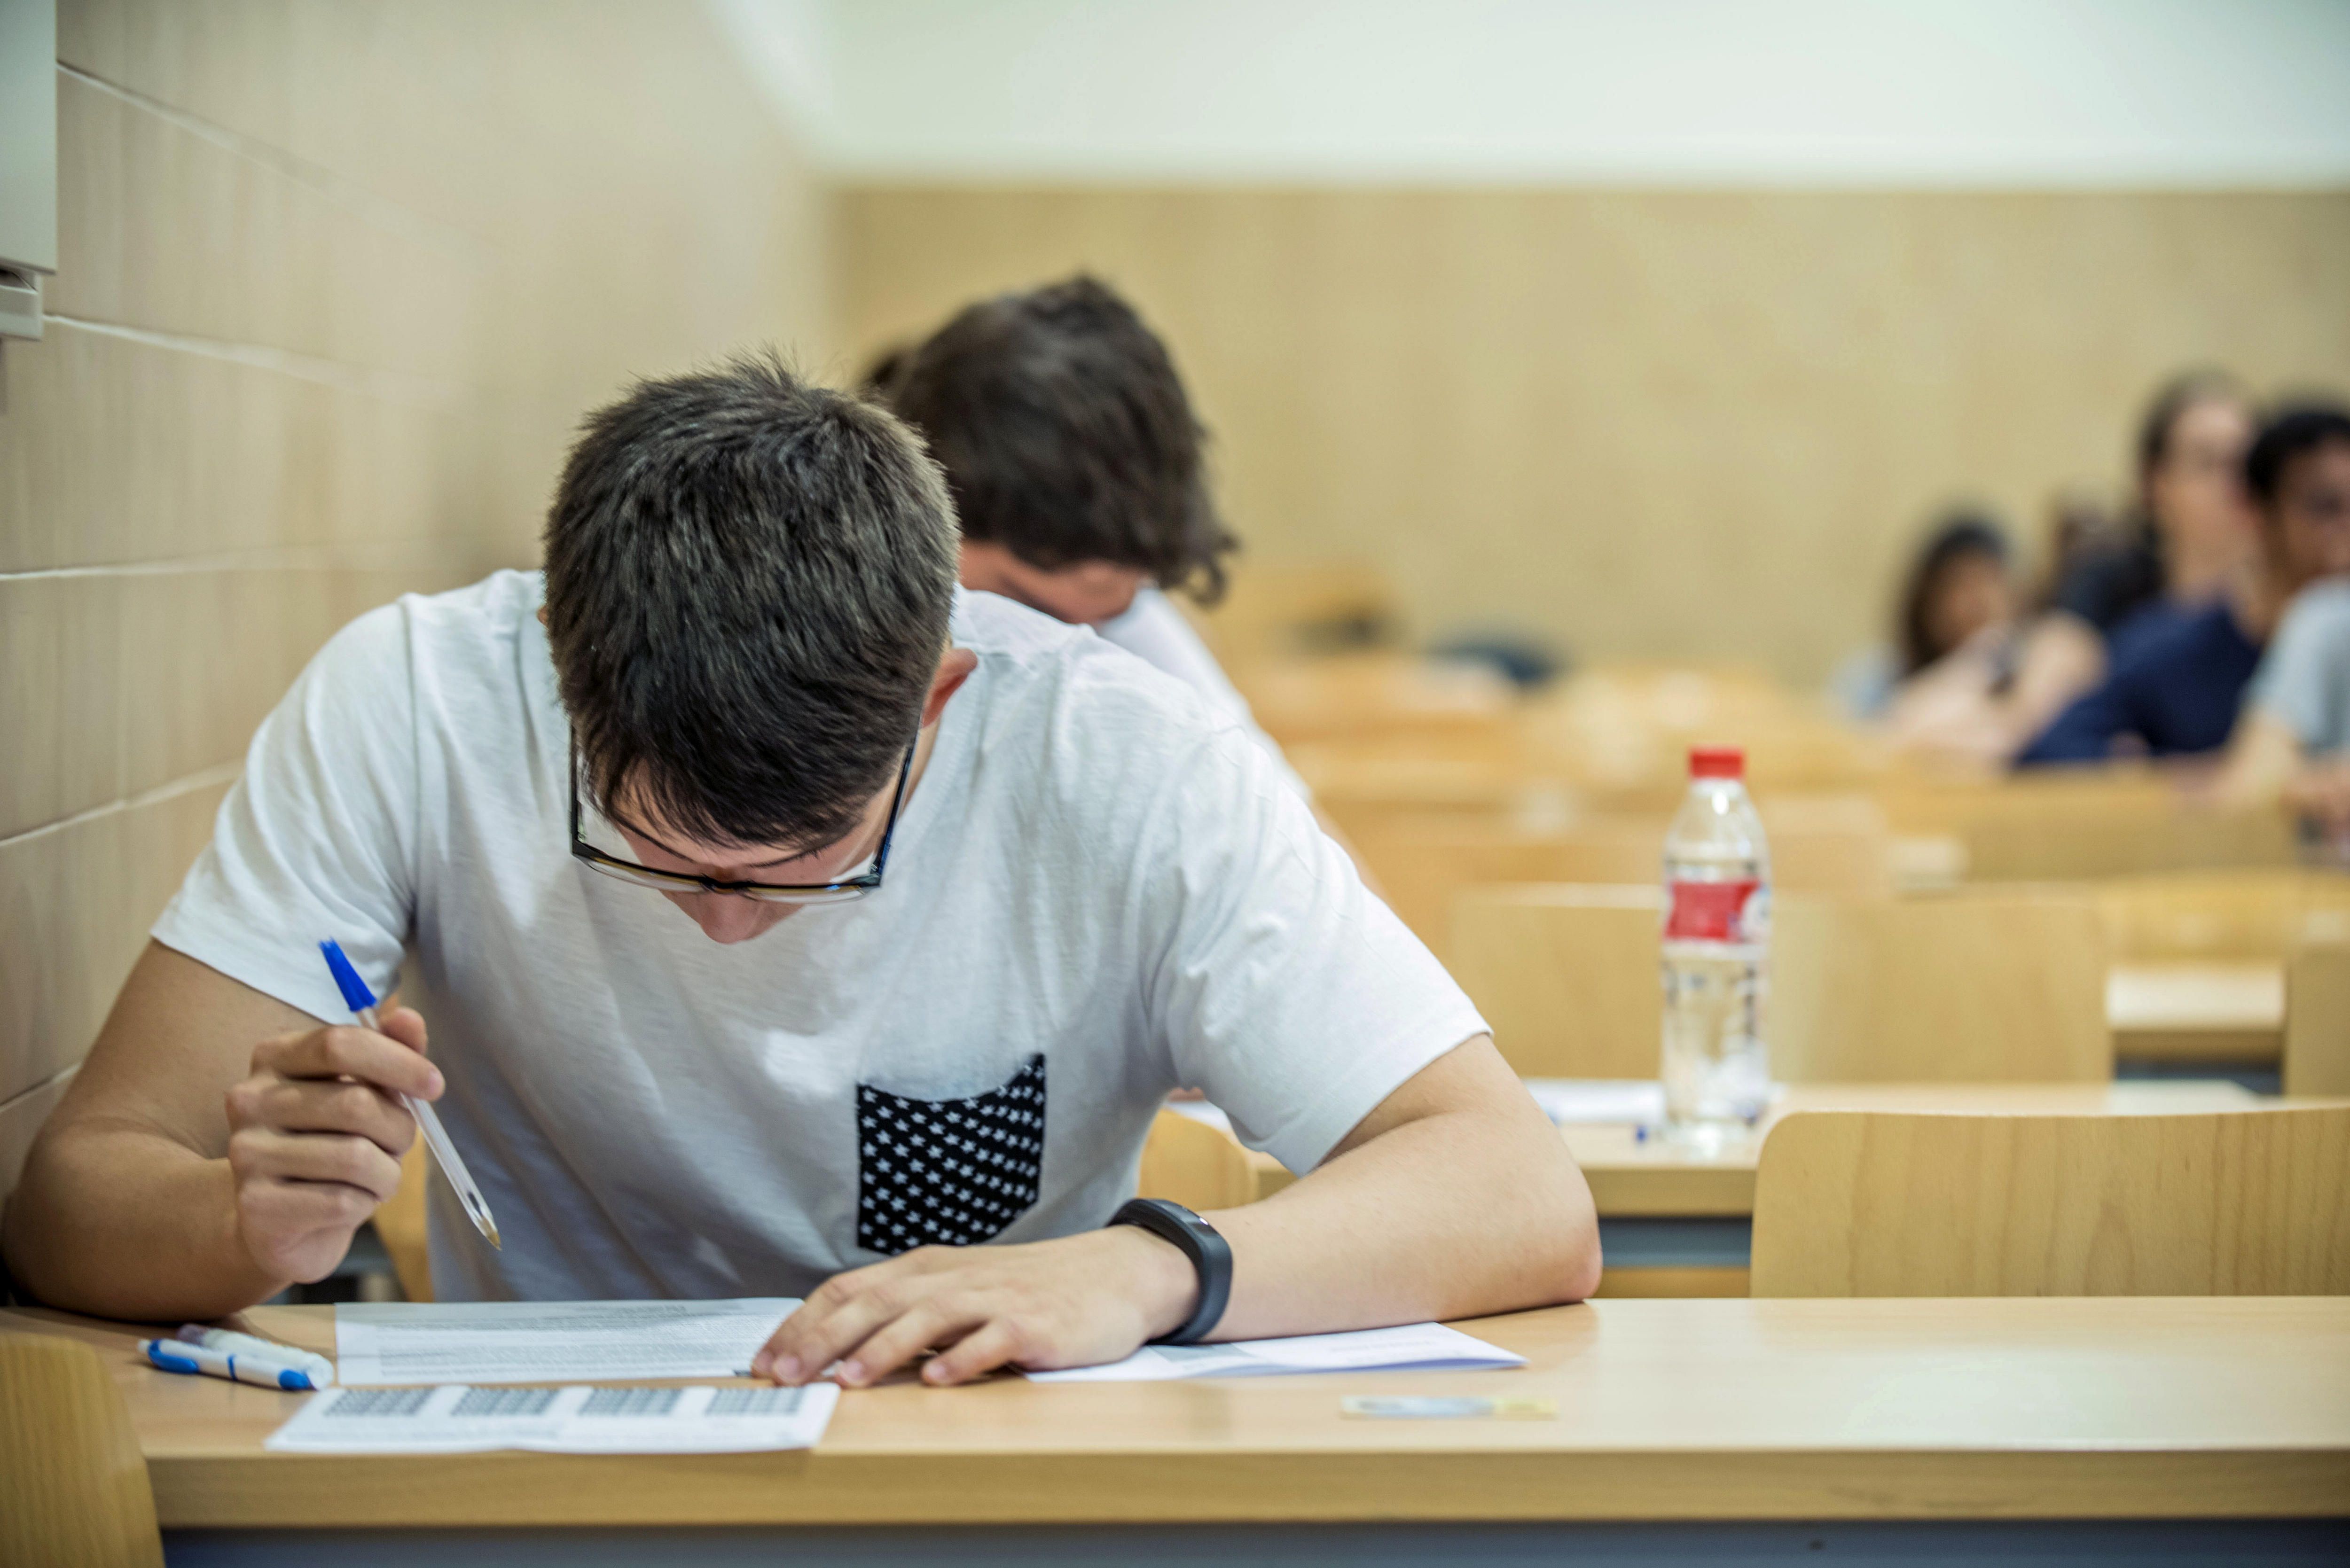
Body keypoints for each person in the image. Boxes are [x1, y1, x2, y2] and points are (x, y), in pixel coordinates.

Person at [1, 356, 1600, 1387]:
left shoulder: (1132, 757)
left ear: (943, 696)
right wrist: (245, 1223)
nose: (726, 921)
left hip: (999, 1452)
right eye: (654, 852)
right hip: (553, 1467)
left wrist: (1142, 1267)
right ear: (562, 677)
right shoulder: (416, 696)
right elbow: (74, 1195)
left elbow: (1520, 1190)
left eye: (810, 864)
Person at [880, 277, 1305, 794]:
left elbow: (1283, 822)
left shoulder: (1132, 629)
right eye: (1032, 612)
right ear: (921, 522)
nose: (1072, 656)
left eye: (1104, 618)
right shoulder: (838, 664)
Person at [2020, 403, 2350, 768]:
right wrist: (2169, 770)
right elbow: (2048, 750)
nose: (2344, 532)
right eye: (2325, 507)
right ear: (2257, 513)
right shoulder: (2170, 649)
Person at [1998, 373, 2262, 749]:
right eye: (2207, 463)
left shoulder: (2291, 605)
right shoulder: (2111, 581)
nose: (2233, 484)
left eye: (2245, 465)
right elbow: (2031, 713)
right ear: (2155, 483)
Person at [2215, 405, 2350, 839]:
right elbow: (2249, 786)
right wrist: (2305, 785)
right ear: (2260, 515)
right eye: (2325, 506)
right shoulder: (2325, 616)